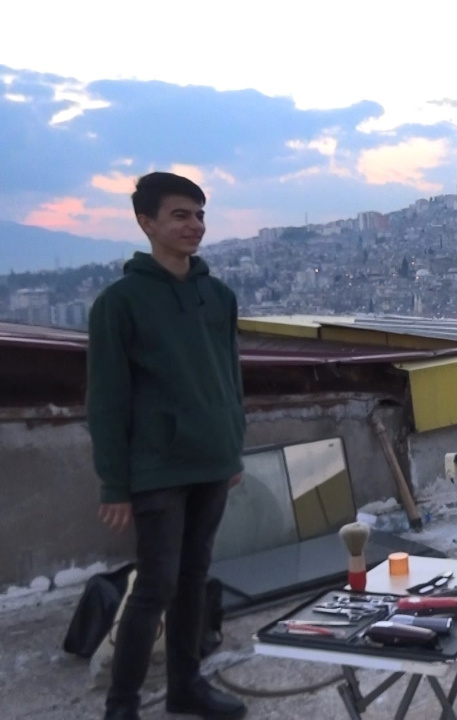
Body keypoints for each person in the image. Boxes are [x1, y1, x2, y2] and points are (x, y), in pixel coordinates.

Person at [87, 172, 248, 720]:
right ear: (146, 222)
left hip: (211, 462)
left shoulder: (217, 296)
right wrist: (115, 483)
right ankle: (122, 704)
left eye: (199, 215)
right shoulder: (120, 303)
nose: (194, 226)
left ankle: (186, 686)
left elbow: (230, 379)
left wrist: (231, 449)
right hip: (157, 469)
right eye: (180, 215)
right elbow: (107, 400)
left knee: (193, 581)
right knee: (155, 585)